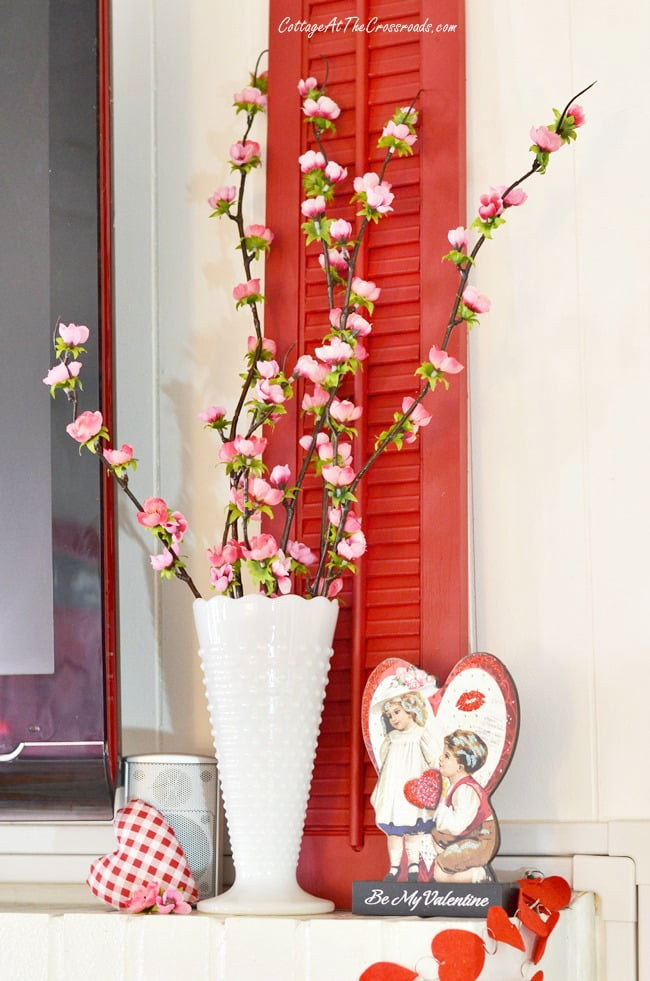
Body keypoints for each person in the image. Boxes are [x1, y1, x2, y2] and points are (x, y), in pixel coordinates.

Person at [370, 691, 439, 882]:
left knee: (413, 826)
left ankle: (413, 864)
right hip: (394, 788)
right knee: (394, 828)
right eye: (390, 715)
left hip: (413, 785)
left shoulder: (421, 734)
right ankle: (394, 866)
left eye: (397, 712)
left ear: (411, 711)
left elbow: (432, 759)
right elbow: (384, 761)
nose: (393, 718)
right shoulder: (391, 738)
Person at [431, 729, 497, 883]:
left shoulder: (465, 790)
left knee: (439, 872)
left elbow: (457, 826)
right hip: (471, 835)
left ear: (460, 766)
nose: (440, 758)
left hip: (481, 841)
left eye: (447, 756)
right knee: (436, 836)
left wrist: (439, 816)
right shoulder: (457, 787)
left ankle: (477, 874)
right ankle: (457, 869)